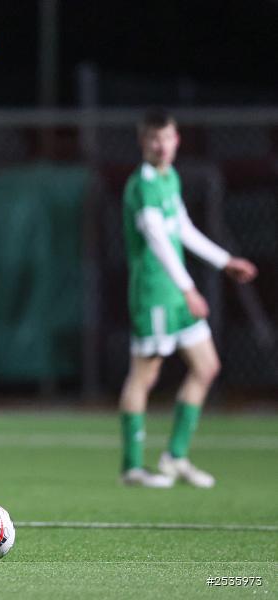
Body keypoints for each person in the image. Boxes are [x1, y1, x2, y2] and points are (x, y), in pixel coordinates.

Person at [119, 109, 258, 488]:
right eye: (153, 139)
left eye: (167, 138)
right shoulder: (143, 184)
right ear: (142, 142)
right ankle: (132, 467)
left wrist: (225, 261)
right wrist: (188, 288)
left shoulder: (169, 177)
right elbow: (158, 240)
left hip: (177, 293)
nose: (161, 146)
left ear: (177, 140)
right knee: (145, 375)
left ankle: (175, 456)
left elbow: (182, 229)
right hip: (154, 294)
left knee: (206, 366)